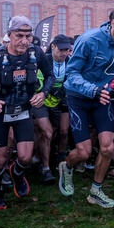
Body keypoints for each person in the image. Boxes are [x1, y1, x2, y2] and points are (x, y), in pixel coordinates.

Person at [58, 5, 114, 208]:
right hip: (78, 96)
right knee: (84, 152)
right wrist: (92, 90)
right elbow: (72, 74)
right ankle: (66, 166)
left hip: (102, 96)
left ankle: (96, 191)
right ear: (113, 23)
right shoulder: (90, 40)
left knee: (108, 147)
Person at [0, 16, 55, 210]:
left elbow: (50, 76)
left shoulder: (36, 52)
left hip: (23, 109)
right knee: (0, 158)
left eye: (28, 36)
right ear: (9, 34)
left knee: (25, 157)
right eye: (19, 35)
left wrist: (43, 93)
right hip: (0, 111)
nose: (24, 40)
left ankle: (18, 172)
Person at [33, 34, 73, 184]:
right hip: (41, 100)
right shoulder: (45, 60)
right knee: (47, 133)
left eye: (67, 50)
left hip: (59, 101)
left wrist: (63, 91)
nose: (64, 53)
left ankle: (42, 158)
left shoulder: (70, 62)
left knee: (58, 132)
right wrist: (45, 91)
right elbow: (35, 80)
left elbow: (73, 79)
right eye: (61, 50)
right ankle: (46, 170)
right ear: (53, 47)